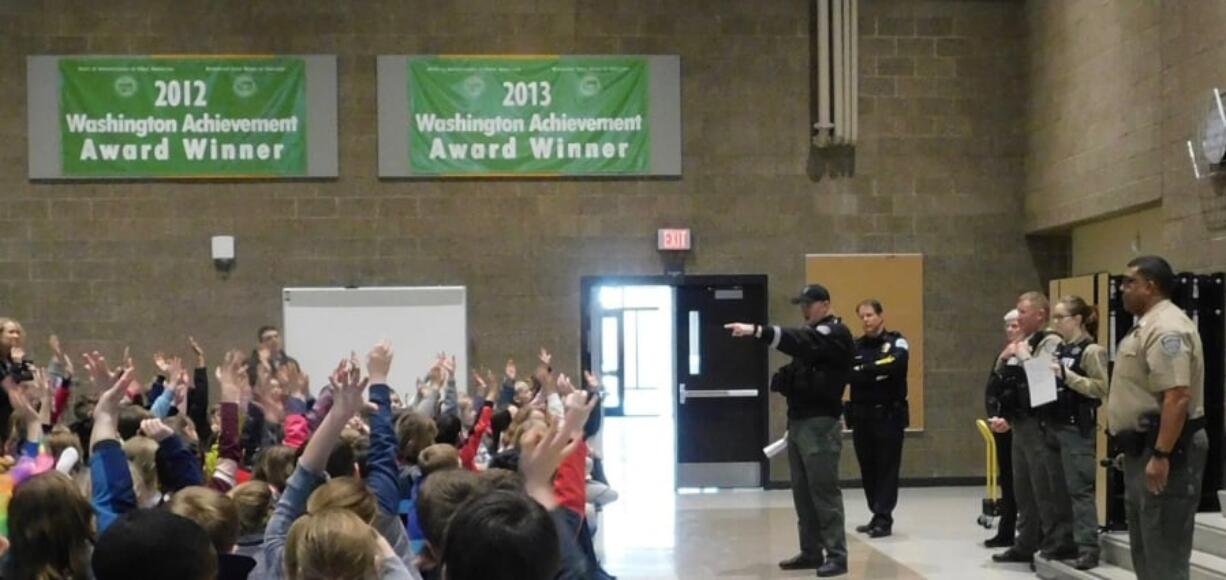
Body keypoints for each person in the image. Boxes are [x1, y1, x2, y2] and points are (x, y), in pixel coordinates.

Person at [726, 283, 854, 578]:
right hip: (799, 422)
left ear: (826, 303)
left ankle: (837, 555)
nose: (804, 309)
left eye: (809, 304)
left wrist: (757, 331)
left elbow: (801, 341)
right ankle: (811, 551)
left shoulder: (834, 333)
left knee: (823, 491)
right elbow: (798, 366)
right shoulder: (815, 338)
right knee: (803, 492)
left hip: (821, 423)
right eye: (802, 304)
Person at [1105, 256, 1208, 580]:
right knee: (1146, 549)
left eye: (1129, 282)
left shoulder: (1167, 328)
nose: (1122, 290)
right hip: (1144, 450)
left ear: (1150, 286)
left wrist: (1162, 454)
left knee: (1164, 551)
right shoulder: (1146, 326)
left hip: (1168, 452)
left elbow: (1177, 396)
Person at [988, 291, 1076, 566]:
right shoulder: (1021, 342)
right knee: (1022, 489)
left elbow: (1042, 382)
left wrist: (1023, 355)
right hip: (1019, 423)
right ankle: (1024, 543)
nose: (1018, 316)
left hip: (1040, 425)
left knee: (1044, 488)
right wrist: (1005, 357)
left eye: (1023, 312)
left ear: (1040, 314)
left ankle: (1054, 542)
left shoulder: (1050, 341)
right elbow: (1004, 381)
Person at [1047, 295, 1110, 570]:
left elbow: (1100, 388)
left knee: (1079, 489)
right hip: (1054, 423)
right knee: (1058, 489)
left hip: (1077, 427)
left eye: (1061, 317)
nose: (1056, 322)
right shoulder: (1061, 348)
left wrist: (1066, 376)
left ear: (1077, 319)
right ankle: (1065, 540)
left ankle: (1088, 546)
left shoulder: (1091, 350)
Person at [846, 299, 909, 538]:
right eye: (861, 316)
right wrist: (871, 372)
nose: (866, 320)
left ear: (881, 316)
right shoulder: (855, 345)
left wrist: (865, 369)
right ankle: (875, 512)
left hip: (888, 414)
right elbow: (849, 372)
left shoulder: (895, 341)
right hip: (861, 415)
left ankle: (884, 517)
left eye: (870, 315)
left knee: (887, 467)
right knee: (868, 467)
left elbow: (897, 363)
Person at [982, 309, 1022, 548]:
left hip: (1020, 425)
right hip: (1000, 424)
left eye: (1015, 326)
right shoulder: (1005, 354)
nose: (1010, 331)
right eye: (1007, 326)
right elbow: (993, 387)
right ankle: (1006, 530)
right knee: (1006, 480)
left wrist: (1010, 418)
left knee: (1023, 483)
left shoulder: (1029, 352)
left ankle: (1027, 534)